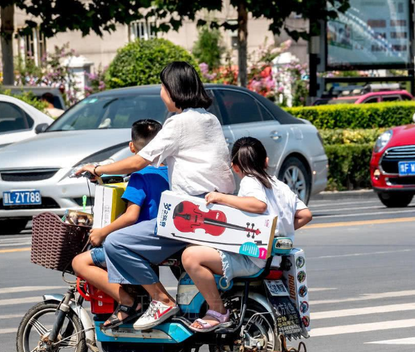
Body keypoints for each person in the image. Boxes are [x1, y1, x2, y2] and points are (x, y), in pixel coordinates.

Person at [76, 61, 235, 330]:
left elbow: (138, 161)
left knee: (116, 242)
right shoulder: (210, 119)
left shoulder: (179, 123)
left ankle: (160, 299)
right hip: (216, 210)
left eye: (163, 86)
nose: (161, 92)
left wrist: (98, 168)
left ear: (173, 90)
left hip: (188, 214)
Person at [181, 137, 313, 332]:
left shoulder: (250, 181)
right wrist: (278, 233)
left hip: (253, 260)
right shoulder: (280, 185)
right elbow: (305, 215)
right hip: (275, 259)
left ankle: (217, 310)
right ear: (266, 161)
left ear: (234, 167)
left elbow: (258, 205)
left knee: (190, 257)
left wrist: (221, 197)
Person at [71, 119, 169, 329]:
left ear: (132, 147)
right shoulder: (171, 171)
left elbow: (131, 216)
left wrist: (102, 232)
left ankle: (128, 302)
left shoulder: (139, 176)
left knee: (79, 262)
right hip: (166, 241)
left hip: (142, 244)